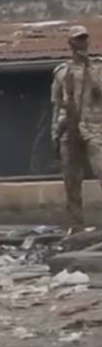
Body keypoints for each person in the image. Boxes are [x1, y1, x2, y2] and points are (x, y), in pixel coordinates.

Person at [51, 25, 102, 232]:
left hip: (94, 127)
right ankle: (76, 224)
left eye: (84, 39)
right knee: (71, 179)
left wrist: (89, 67)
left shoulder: (98, 67)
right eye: (77, 39)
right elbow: (56, 104)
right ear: (70, 43)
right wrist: (54, 134)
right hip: (68, 127)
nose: (81, 42)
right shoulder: (62, 71)